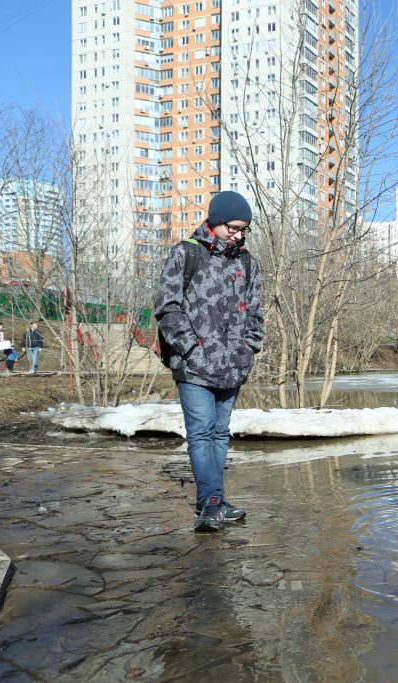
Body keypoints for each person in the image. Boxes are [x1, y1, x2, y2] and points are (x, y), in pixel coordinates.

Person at [154, 191, 264, 532]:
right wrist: (191, 351)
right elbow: (167, 307)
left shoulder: (247, 263)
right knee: (200, 434)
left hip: (233, 367)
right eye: (233, 227)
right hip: (194, 368)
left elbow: (257, 313)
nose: (239, 234)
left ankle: (213, 501)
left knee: (219, 434)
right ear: (215, 221)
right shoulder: (186, 253)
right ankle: (212, 502)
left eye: (244, 229)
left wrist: (250, 348)